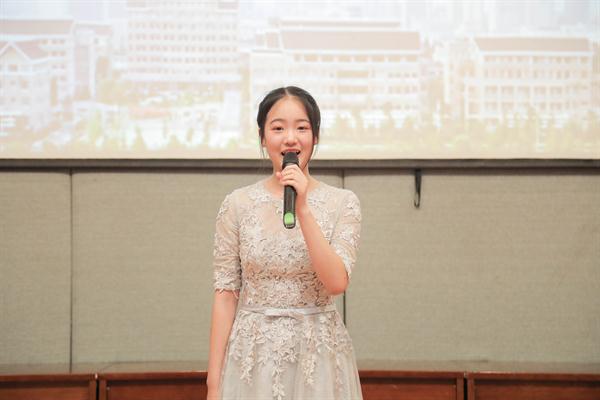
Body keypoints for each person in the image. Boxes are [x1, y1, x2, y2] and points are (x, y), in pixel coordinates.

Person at [206, 86, 363, 400]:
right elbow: (225, 296)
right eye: (278, 128)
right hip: (252, 357)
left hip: (318, 354)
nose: (290, 138)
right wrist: (213, 383)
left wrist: (302, 208)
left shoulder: (343, 203)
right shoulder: (237, 204)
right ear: (263, 138)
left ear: (315, 137)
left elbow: (336, 282)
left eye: (301, 128)